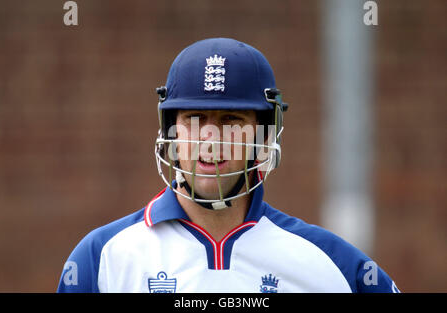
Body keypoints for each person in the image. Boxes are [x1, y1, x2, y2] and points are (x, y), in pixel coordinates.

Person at [57, 38, 399, 293]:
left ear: (263, 136)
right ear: (171, 132)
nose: (210, 138)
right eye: (194, 117)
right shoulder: (101, 258)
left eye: (230, 119)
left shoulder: (333, 264)